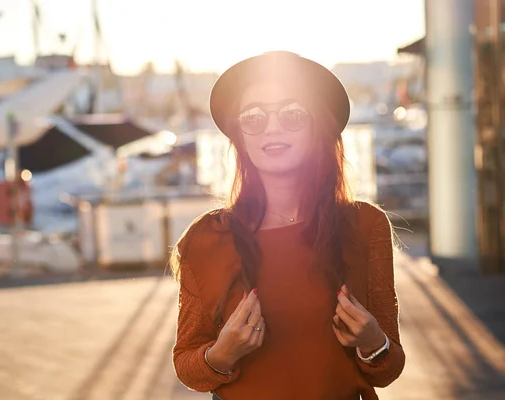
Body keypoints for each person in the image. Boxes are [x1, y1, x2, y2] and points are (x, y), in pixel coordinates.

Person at [170, 51, 405, 400]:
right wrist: (221, 354)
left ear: (318, 127)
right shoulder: (206, 238)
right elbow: (186, 362)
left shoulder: (365, 225)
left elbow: (389, 367)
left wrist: (374, 342)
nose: (272, 127)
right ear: (241, 138)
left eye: (292, 114)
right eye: (253, 117)